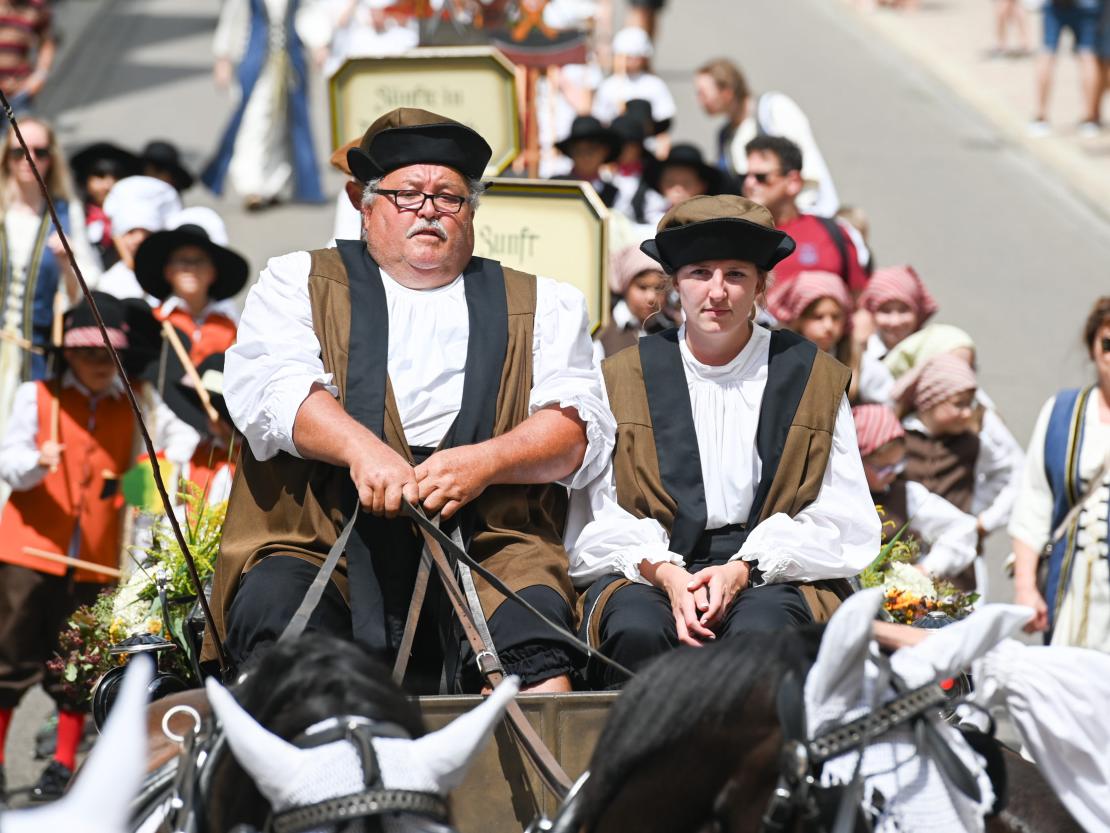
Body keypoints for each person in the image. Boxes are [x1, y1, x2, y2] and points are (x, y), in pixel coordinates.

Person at [206, 108, 613, 695]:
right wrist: (362, 451)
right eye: (406, 194)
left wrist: (484, 463)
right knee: (282, 634)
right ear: (365, 205)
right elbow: (274, 388)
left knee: (542, 663)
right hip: (322, 533)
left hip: (489, 541)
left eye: (449, 196)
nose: (428, 208)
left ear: (472, 212)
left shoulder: (546, 302)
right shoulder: (297, 279)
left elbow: (574, 430)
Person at [567, 195, 879, 689]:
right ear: (675, 284)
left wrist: (744, 568)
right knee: (637, 629)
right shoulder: (623, 376)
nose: (718, 292)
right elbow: (598, 513)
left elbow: (842, 514)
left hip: (772, 569)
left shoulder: (810, 376)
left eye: (735, 274)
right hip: (652, 562)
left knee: (763, 633)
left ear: (759, 284)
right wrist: (667, 575)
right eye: (699, 272)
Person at [0, 293, 198, 801]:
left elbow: (170, 456)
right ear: (67, 355)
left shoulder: (138, 405)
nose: (93, 364)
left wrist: (146, 486)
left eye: (104, 355)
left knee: (76, 665)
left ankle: (62, 765)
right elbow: (9, 463)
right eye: (84, 354)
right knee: (10, 658)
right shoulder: (35, 396)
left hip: (95, 557)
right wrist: (34, 461)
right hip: (29, 550)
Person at [0, 118, 101, 476]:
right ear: (6, 159)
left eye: (38, 152)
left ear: (50, 159)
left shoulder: (64, 212)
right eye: (18, 152)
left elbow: (83, 297)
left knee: (22, 450)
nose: (27, 159)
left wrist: (67, 264)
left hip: (35, 355)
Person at [1009, 297, 1110, 651]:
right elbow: (1035, 499)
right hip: (1069, 588)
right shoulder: (1062, 412)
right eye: (1107, 344)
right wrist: (1026, 587)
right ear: (1093, 346)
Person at [895, 354, 1024, 591]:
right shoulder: (900, 437)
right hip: (904, 562)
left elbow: (1012, 474)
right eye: (958, 404)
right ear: (931, 400)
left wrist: (984, 521)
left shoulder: (973, 443)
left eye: (970, 404)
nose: (967, 413)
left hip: (957, 564)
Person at [202, 0, 325, 209]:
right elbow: (234, 19)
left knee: (283, 122)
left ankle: (274, 183)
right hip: (256, 62)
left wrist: (318, 43)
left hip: (289, 63)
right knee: (255, 120)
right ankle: (251, 185)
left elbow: (307, 14)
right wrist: (224, 57)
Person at [695, 57, 839, 215]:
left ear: (727, 93)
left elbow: (805, 165)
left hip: (803, 213)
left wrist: (800, 216)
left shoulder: (772, 110)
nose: (699, 100)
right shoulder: (725, 136)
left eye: (703, 93)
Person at [853, 403, 978, 580]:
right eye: (883, 468)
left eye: (898, 465)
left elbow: (962, 528)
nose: (892, 474)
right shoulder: (835, 498)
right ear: (856, 461)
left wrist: (928, 569)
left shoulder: (907, 495)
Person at [743, 135, 868, 294]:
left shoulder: (833, 232)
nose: (749, 183)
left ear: (793, 182)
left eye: (761, 177)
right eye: (745, 176)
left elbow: (859, 301)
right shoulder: (738, 237)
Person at [134, 207, 246, 367]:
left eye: (199, 261)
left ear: (213, 273)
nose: (191, 268)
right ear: (168, 271)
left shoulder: (229, 327)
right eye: (182, 261)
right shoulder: (154, 322)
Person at [767, 270, 894, 406]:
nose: (828, 326)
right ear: (798, 319)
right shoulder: (777, 358)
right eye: (818, 317)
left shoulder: (856, 360)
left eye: (835, 317)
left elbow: (889, 402)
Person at [94, 175, 183, 302]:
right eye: (130, 232)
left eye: (147, 234)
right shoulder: (106, 286)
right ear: (116, 238)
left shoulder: (175, 283)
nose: (139, 240)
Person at [592, 27, 675, 158]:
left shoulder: (654, 85)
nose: (632, 60)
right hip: (615, 153)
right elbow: (600, 121)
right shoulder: (608, 86)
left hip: (648, 152)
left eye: (636, 56)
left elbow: (663, 124)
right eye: (628, 56)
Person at [1030, 0, 1103, 137]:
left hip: (1056, 5)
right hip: (1087, 5)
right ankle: (1089, 119)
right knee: (1087, 55)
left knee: (1047, 53)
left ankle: (1040, 116)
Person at [68, 142, 140, 270]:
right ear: (85, 181)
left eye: (116, 177)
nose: (108, 185)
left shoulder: (137, 219)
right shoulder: (72, 216)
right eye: (100, 176)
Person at [595, 244, 672, 359]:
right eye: (642, 287)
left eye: (659, 288)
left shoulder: (671, 331)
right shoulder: (603, 331)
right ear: (626, 286)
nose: (651, 297)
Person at [857, 264, 938, 363]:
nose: (895, 322)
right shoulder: (858, 356)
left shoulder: (932, 353)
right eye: (885, 311)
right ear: (872, 314)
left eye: (904, 310)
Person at [552, 115, 621, 206]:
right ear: (571, 152)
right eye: (579, 151)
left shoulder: (613, 194)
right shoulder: (556, 186)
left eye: (591, 151)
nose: (585, 157)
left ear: (604, 151)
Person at [0, 0, 54, 114]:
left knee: (24, 131)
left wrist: (40, 76)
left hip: (18, 94)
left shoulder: (36, 6)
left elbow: (46, 42)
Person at [647, 143, 727, 211]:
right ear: (660, 183)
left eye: (686, 183)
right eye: (670, 182)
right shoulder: (649, 219)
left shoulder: (712, 223)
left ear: (702, 186)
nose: (678, 189)